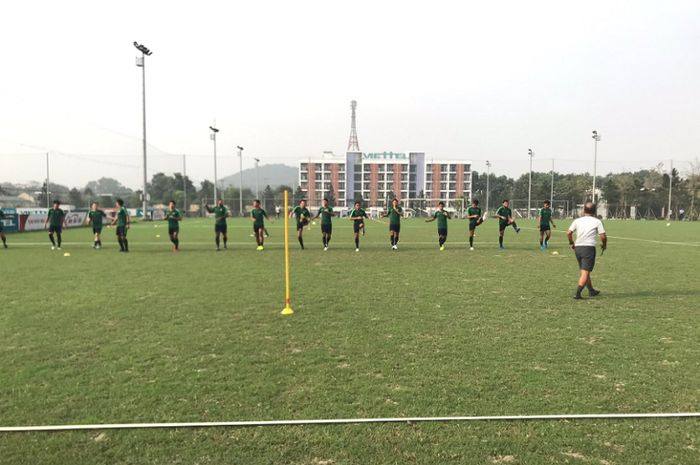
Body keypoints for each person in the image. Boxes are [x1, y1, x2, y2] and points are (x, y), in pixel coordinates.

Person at [567, 201, 607, 300]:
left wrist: (571, 243)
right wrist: (604, 245)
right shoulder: (597, 221)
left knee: (584, 271)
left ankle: (591, 290)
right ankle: (577, 293)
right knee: (585, 272)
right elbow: (603, 236)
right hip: (588, 248)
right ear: (594, 211)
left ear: (584, 210)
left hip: (578, 248)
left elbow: (568, 233)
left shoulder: (577, 221)